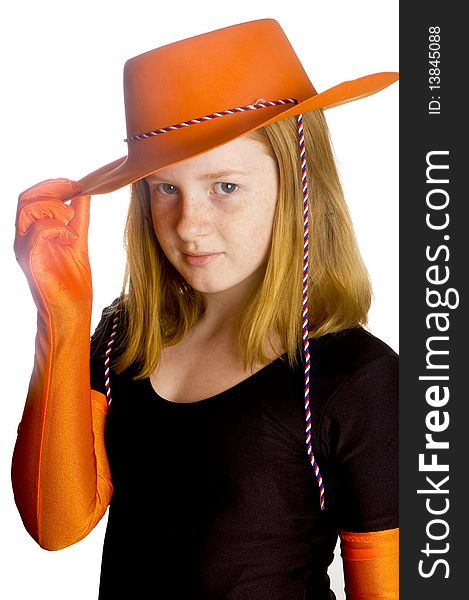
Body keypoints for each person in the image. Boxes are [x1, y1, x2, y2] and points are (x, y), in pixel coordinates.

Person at [11, 18, 399, 600]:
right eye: (164, 188)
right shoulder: (125, 338)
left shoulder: (354, 377)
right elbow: (56, 527)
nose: (188, 225)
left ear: (299, 185)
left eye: (224, 187)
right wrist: (62, 318)